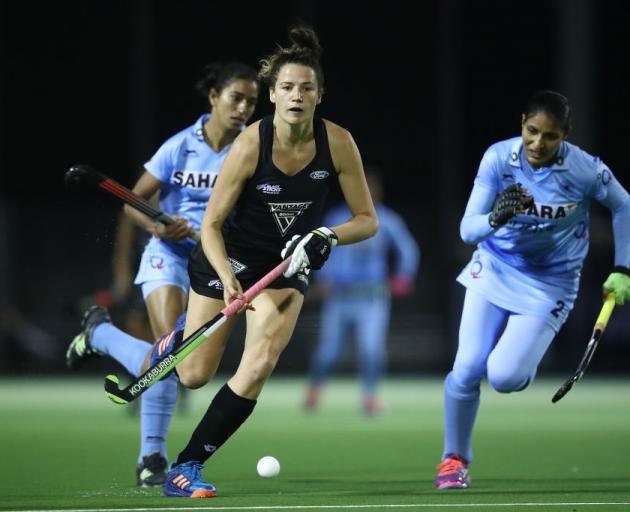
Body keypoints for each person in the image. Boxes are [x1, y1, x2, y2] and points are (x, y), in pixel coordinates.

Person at [150, 26, 377, 498]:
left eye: (307, 88)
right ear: (273, 95)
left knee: (260, 362)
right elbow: (209, 226)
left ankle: (186, 466)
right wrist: (230, 281)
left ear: (320, 95)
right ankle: (176, 339)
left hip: (285, 271)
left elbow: (366, 220)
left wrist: (326, 235)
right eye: (288, 87)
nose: (297, 96)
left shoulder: (337, 143)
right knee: (193, 376)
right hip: (226, 260)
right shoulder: (251, 143)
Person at [65, 61, 259, 487]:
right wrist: (158, 225)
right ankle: (152, 456)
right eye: (236, 97)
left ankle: (99, 334)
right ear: (214, 97)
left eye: (251, 101)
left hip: (212, 261)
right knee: (172, 353)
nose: (244, 107)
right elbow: (132, 201)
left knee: (175, 357)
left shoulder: (250, 148)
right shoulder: (179, 147)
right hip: (168, 256)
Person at [435, 90, 630, 490]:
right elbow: (467, 229)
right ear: (522, 122)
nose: (538, 143)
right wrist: (496, 216)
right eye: (532, 131)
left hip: (550, 284)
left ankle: (522, 361)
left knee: (504, 377)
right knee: (468, 367)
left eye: (550, 136)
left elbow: (624, 204)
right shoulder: (497, 159)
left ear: (566, 135)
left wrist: (624, 268)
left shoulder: (584, 170)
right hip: (493, 269)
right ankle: (453, 460)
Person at [303, 165, 420, 415]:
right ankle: (314, 389)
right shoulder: (337, 218)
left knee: (372, 350)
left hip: (372, 297)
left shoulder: (386, 219)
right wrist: (323, 279)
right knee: (329, 352)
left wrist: (403, 277)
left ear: (377, 191)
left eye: (371, 187)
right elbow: (319, 250)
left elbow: (408, 249)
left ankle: (370, 397)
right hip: (340, 296)